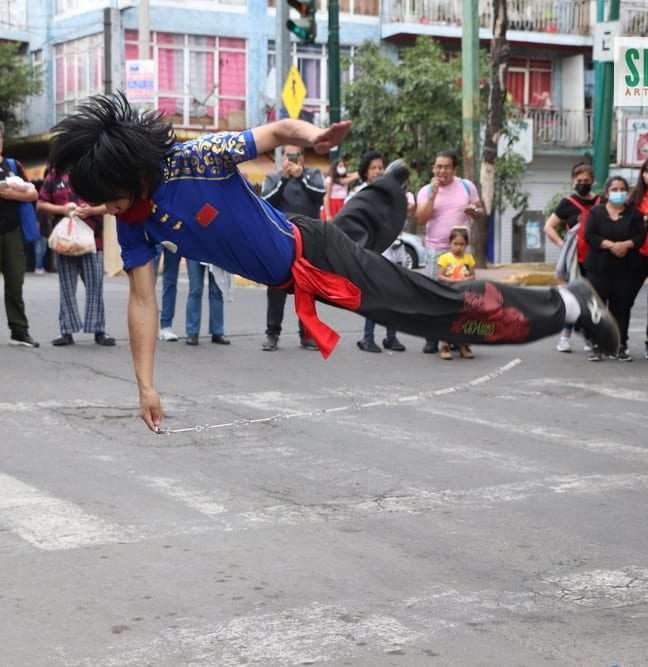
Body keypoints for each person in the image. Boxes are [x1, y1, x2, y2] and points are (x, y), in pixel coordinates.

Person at [48, 93, 620, 432]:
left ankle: (571, 304)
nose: (107, 208)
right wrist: (145, 386)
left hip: (313, 256)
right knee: (356, 227)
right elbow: (142, 300)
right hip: (300, 251)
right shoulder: (135, 220)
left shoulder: (197, 158)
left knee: (433, 310)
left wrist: (317, 136)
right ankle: (390, 184)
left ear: (133, 171)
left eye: (111, 196)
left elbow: (278, 131)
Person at [415, 150, 484, 354]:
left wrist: (474, 212)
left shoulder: (466, 186)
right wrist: (433, 195)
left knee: (459, 297)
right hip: (435, 251)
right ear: (433, 168)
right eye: (438, 166)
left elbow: (480, 211)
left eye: (446, 167)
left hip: (460, 253)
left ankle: (455, 338)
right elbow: (421, 219)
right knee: (433, 296)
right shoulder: (426, 190)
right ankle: (432, 338)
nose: (442, 171)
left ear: (454, 169)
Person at [37, 169, 116, 347]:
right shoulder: (55, 175)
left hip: (93, 240)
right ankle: (67, 331)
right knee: (67, 287)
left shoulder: (95, 170)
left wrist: (91, 210)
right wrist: (62, 209)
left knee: (95, 285)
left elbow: (111, 204)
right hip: (65, 239)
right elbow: (41, 203)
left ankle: (99, 330)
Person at [260, 144, 325, 351]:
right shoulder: (274, 177)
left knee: (307, 288)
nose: (293, 159)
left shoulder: (314, 175)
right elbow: (266, 202)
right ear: (283, 157)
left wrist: (301, 177)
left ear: (303, 157)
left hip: (309, 240)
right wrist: (285, 179)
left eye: (296, 155)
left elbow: (320, 195)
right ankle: (272, 334)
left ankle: (307, 334)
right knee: (277, 288)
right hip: (281, 241)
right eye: (289, 155)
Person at [584, 176, 645, 362]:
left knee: (622, 308)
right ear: (607, 192)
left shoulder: (634, 214)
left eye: (622, 189)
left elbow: (640, 236)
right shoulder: (596, 212)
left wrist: (626, 244)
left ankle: (620, 345)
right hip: (598, 269)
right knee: (598, 308)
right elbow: (590, 235)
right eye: (614, 189)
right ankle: (597, 345)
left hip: (626, 269)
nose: (619, 193)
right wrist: (611, 245)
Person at [353, 150, 408, 353]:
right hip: (372, 251)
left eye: (380, 167)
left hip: (395, 250)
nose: (377, 171)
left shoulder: (393, 192)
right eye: (373, 168)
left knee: (393, 294)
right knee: (374, 296)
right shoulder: (360, 194)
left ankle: (391, 337)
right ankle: (367, 338)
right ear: (365, 173)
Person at [544, 162, 600, 353]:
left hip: (598, 259)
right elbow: (549, 227)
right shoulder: (567, 203)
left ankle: (590, 338)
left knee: (594, 300)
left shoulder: (601, 202)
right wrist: (563, 246)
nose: (583, 183)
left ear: (593, 181)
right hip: (576, 261)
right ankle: (565, 338)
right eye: (579, 180)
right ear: (573, 181)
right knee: (574, 299)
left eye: (586, 180)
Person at [0, 120, 40, 347]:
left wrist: (12, 194)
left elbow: (33, 194)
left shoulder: (13, 166)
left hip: (12, 232)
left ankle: (19, 331)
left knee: (15, 283)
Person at [436, 228, 476, 360]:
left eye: (462, 244)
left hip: (464, 294)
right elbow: (440, 276)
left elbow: (473, 276)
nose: (458, 247)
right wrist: (453, 280)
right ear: (450, 243)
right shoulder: (445, 258)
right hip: (449, 293)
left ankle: (464, 345)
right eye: (455, 244)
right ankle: (445, 346)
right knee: (449, 319)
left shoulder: (469, 258)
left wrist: (467, 279)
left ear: (466, 245)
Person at [185, 259, 231, 346]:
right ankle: (192, 333)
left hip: (215, 254)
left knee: (216, 292)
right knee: (195, 291)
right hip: (195, 254)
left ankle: (217, 332)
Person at [629, 158, 648, 359]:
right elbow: (624, 221)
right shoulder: (635, 197)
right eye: (646, 171)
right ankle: (619, 341)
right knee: (626, 298)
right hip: (637, 254)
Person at [156, 245, 181, 341]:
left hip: (174, 237)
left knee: (171, 280)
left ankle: (166, 326)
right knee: (148, 280)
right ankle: (146, 323)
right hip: (153, 237)